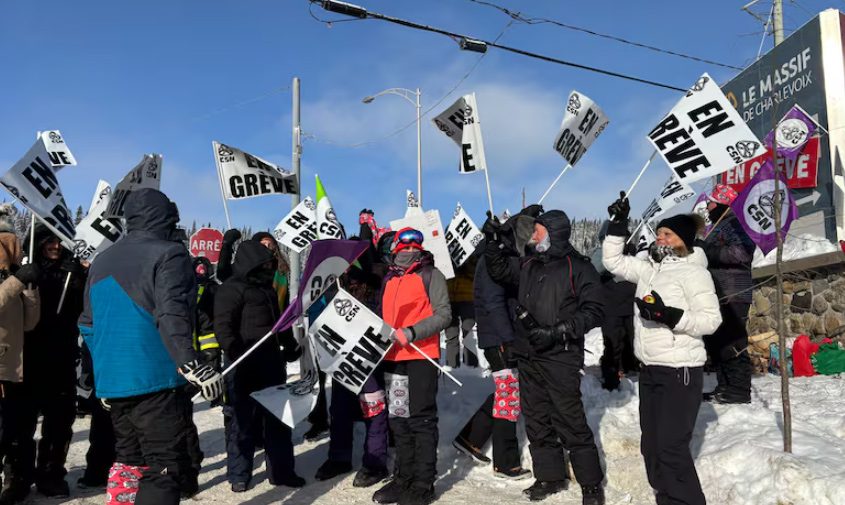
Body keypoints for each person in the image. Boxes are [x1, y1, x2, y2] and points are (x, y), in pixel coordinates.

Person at [79, 189, 224, 505]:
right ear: (166, 217)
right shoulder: (169, 253)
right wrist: (191, 363)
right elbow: (173, 314)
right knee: (162, 467)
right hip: (155, 379)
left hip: (114, 384)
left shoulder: (101, 261)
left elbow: (87, 325)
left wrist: (102, 379)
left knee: (129, 461)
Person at [603, 192, 722, 505]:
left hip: (680, 371)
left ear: (682, 240)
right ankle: (666, 499)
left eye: (667, 233)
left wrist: (670, 317)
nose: (660, 237)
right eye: (659, 232)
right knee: (651, 446)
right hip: (650, 369)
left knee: (670, 447)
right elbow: (612, 261)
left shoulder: (695, 273)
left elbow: (711, 320)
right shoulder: (649, 270)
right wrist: (617, 225)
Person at [484, 208, 605, 504]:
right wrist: (494, 241)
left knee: (569, 419)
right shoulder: (529, 263)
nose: (533, 235)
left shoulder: (579, 267)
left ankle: (590, 485)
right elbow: (498, 269)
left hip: (560, 355)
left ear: (554, 232)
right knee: (537, 419)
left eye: (538, 230)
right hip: (528, 354)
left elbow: (594, 311)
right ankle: (549, 476)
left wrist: (558, 331)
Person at [452, 207, 538, 481]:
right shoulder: (493, 259)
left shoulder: (507, 254)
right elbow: (493, 303)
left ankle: (470, 438)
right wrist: (506, 340)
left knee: (506, 393)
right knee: (510, 396)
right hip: (499, 338)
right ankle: (506, 462)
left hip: (505, 335)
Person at [214, 239, 304, 493]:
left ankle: (282, 471)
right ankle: (239, 473)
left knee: (277, 419)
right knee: (241, 423)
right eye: (263, 264)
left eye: (269, 264)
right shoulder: (231, 289)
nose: (268, 268)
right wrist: (234, 352)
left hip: (271, 364)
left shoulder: (267, 289)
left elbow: (278, 325)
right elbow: (223, 326)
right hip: (242, 366)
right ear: (249, 263)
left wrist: (289, 346)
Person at [5, 224, 86, 501]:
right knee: (20, 424)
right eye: (48, 240)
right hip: (25, 358)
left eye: (59, 241)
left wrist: (80, 280)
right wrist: (22, 280)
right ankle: (17, 477)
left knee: (59, 422)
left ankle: (51, 474)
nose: (55, 246)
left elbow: (86, 310)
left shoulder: (72, 273)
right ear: (36, 242)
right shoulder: (22, 271)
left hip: (61, 357)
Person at [372, 228, 451, 505]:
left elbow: (444, 314)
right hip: (393, 359)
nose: (409, 248)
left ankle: (423, 483)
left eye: (415, 244)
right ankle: (403, 477)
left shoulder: (431, 275)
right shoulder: (390, 279)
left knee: (421, 421)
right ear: (394, 248)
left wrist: (413, 332)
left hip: (421, 356)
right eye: (404, 244)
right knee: (399, 420)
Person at [314, 266, 390, 488]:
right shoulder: (336, 288)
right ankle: (339, 458)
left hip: (369, 363)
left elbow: (387, 325)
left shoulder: (377, 289)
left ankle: (375, 463)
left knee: (373, 411)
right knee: (339, 411)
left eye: (353, 269)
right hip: (343, 363)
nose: (348, 275)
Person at [0, 206, 40, 505]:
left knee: (14, 432)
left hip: (13, 369)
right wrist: (15, 283)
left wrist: (30, 290)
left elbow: (30, 323)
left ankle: (16, 482)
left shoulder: (10, 276)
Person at [701, 184, 755, 404]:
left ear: (722, 203)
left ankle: (739, 389)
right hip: (718, 293)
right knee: (718, 343)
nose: (707, 206)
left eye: (711, 202)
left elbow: (742, 253)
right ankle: (724, 386)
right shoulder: (716, 226)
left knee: (733, 342)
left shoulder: (736, 224)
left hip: (734, 292)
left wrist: (709, 251)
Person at [591, 221, 639, 391]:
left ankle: (630, 366)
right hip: (610, 304)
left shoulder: (632, 251)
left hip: (631, 304)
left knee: (632, 338)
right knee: (613, 341)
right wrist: (612, 257)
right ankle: (611, 374)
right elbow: (595, 269)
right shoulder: (601, 253)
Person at [444, 256, 478, 368]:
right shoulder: (444, 252)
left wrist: (465, 266)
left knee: (468, 333)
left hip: (467, 296)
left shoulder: (470, 252)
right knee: (451, 334)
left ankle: (471, 364)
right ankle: (451, 364)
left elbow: (476, 272)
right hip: (449, 296)